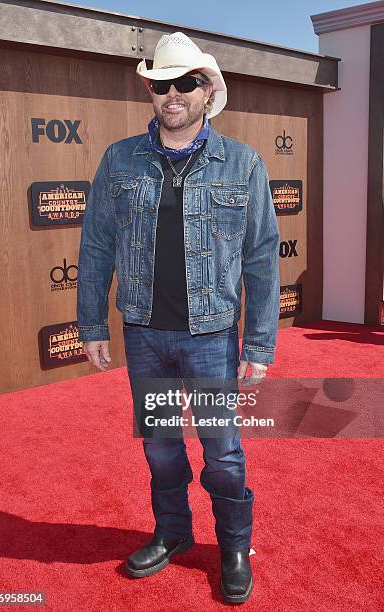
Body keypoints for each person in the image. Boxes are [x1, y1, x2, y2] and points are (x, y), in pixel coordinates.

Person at [77, 31, 280, 604]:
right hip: (144, 334)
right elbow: (95, 245)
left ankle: (233, 547)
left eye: (185, 82)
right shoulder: (120, 159)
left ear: (205, 90)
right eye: (162, 82)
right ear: (150, 89)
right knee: (161, 448)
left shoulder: (241, 162)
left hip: (213, 337)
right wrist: (91, 324)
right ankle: (172, 533)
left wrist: (260, 344)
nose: (173, 93)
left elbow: (263, 258)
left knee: (223, 451)